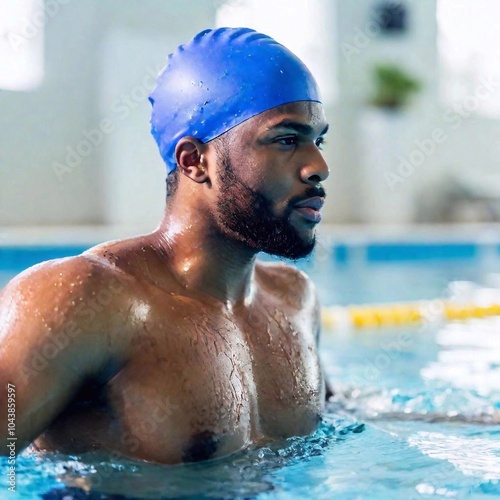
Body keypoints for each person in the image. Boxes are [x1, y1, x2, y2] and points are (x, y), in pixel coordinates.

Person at [0, 27, 331, 465]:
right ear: (195, 161)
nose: (318, 167)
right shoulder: (85, 299)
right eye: (287, 140)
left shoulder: (295, 300)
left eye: (317, 140)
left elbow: (344, 412)